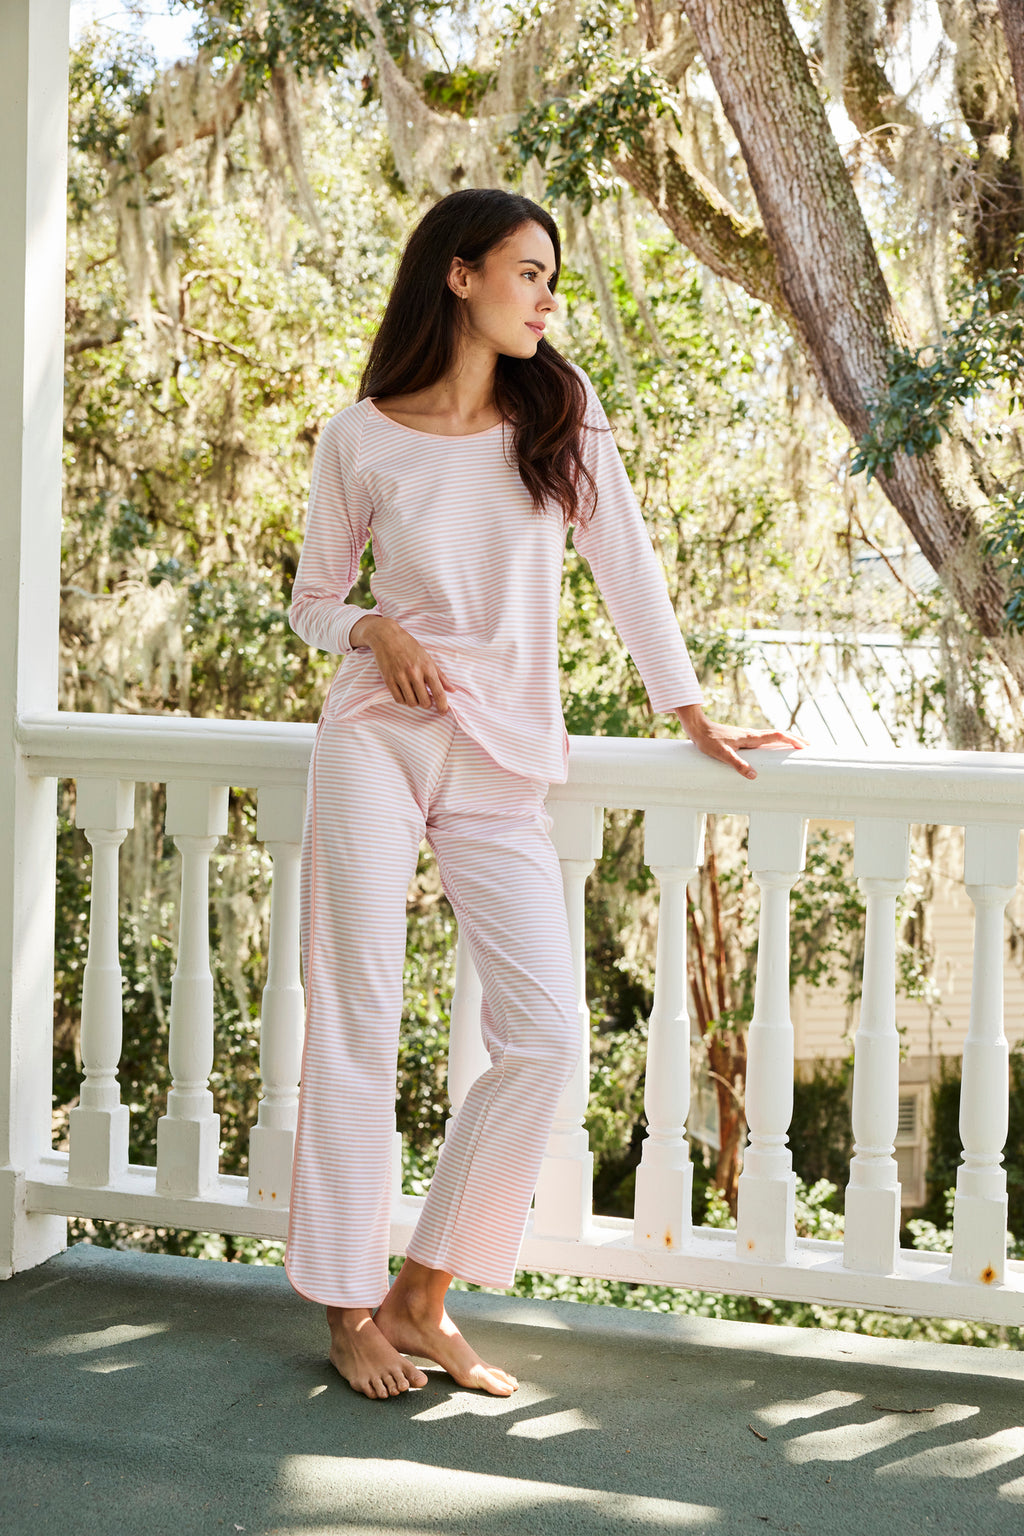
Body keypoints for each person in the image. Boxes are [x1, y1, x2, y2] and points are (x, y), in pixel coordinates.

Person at [286, 187, 803, 1402]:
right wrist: (370, 628)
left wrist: (686, 709)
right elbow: (313, 599)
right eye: (528, 273)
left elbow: (627, 567)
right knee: (356, 1014)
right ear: (459, 277)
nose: (546, 298)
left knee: (547, 1035)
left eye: (550, 279)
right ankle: (347, 1307)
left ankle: (426, 1291)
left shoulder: (560, 413)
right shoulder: (358, 437)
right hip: (378, 740)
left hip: (503, 755)